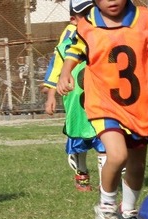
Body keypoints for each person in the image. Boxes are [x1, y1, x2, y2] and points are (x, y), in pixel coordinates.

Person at [56, 0, 148, 219]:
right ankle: (106, 208)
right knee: (117, 154)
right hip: (104, 102)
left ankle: (128, 212)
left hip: (140, 104)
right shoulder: (88, 23)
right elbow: (75, 49)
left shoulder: (145, 18)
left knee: (137, 163)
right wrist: (66, 71)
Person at [44, 0, 105, 192]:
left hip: (100, 101)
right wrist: (51, 96)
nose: (89, 18)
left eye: (92, 12)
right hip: (76, 104)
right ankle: (82, 175)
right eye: (84, 14)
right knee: (79, 142)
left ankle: (106, 186)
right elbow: (56, 69)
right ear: (73, 19)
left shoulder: (104, 37)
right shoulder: (66, 44)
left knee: (103, 141)